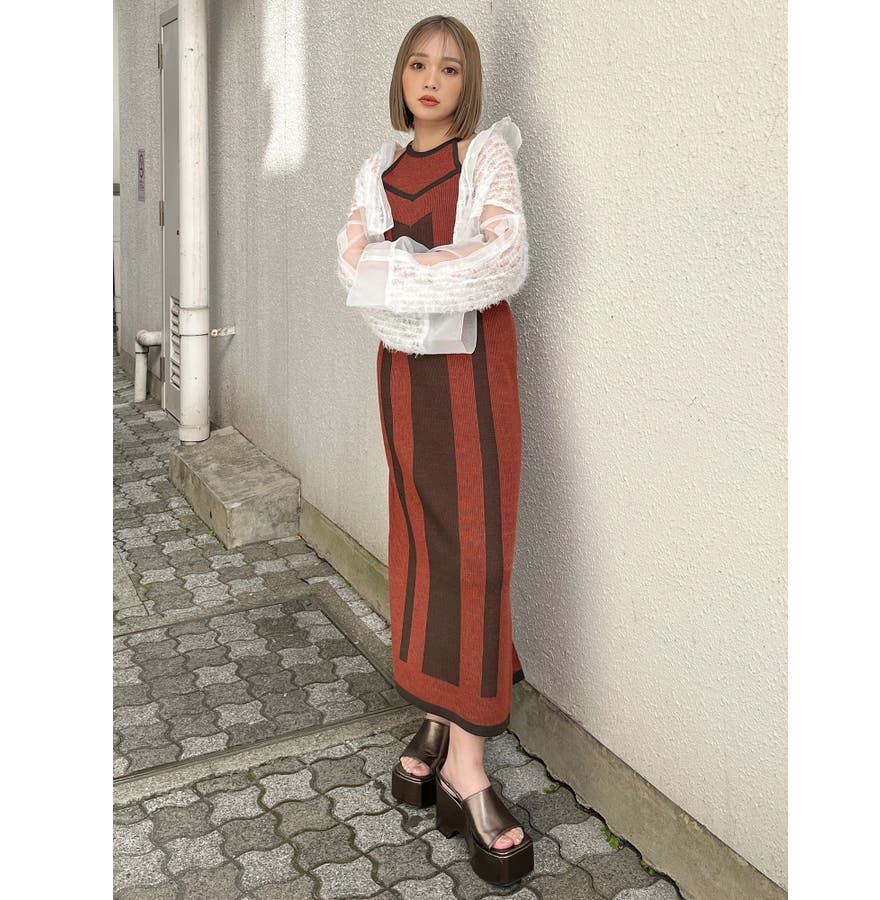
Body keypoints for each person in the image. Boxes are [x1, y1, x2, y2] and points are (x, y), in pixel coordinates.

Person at [336, 15, 533, 885]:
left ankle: (467, 768)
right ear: (401, 76)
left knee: (477, 554)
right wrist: (427, 271)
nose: (430, 79)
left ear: (467, 83)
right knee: (420, 544)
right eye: (418, 64)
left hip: (476, 378)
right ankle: (436, 715)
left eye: (449, 68)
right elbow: (352, 273)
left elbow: (504, 259)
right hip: (404, 382)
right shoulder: (375, 169)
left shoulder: (487, 157)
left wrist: (400, 267)